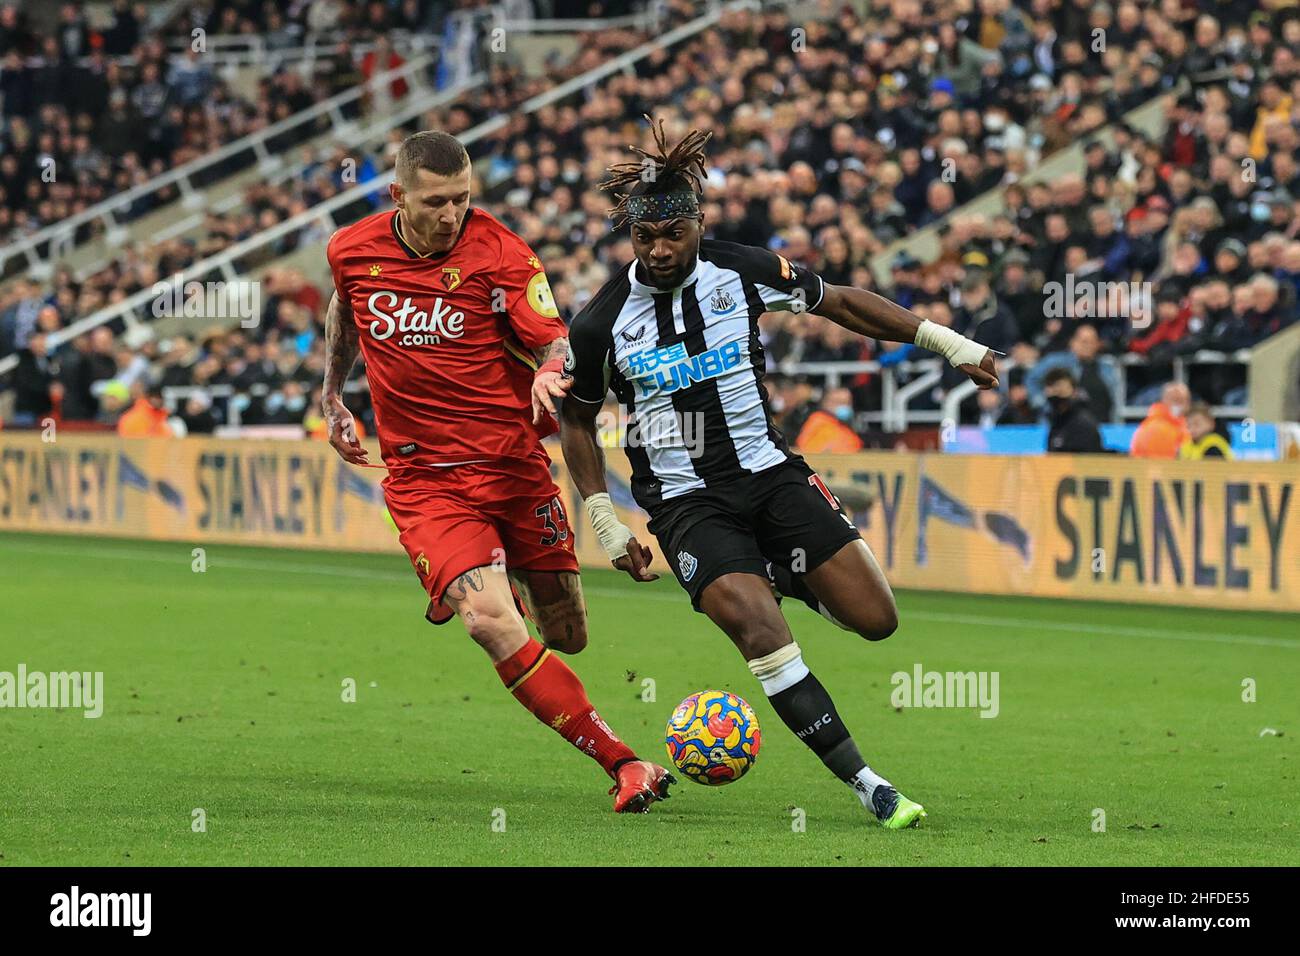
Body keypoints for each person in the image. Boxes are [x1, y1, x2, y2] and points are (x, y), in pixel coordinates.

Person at [559, 118, 1000, 831]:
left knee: (877, 620)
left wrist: (946, 342)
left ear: (698, 224)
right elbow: (575, 420)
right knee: (759, 629)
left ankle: (781, 571)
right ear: (630, 237)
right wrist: (605, 520)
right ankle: (868, 784)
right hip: (686, 505)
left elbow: (844, 302)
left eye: (674, 234)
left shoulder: (743, 270)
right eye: (646, 238)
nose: (661, 250)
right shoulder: (601, 322)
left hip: (771, 475)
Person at [321, 131, 673, 814]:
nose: (451, 214)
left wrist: (548, 371)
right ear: (398, 196)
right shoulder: (351, 249)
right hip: (426, 479)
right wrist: (332, 393)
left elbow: (555, 337)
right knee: (487, 620)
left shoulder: (502, 253)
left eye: (461, 199)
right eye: (435, 202)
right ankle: (626, 763)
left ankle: (494, 574)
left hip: (512, 466)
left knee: (567, 633)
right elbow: (345, 307)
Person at [1043, 368, 1103, 453]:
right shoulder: (1056, 421)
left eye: (1060, 391)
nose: (1054, 393)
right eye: (1050, 387)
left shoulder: (1083, 423)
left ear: (1074, 392)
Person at [1130, 381, 1191, 458]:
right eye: (1175, 399)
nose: (1180, 404)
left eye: (1184, 400)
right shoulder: (1157, 428)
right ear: (1163, 400)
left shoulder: (1181, 424)